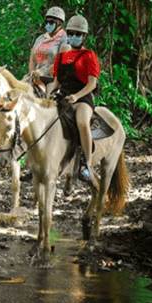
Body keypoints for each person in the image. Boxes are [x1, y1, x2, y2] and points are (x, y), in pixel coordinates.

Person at [51, 15, 100, 181]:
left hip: (82, 97)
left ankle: (87, 163)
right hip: (62, 95)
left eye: (78, 35)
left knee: (82, 123)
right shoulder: (61, 56)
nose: (74, 37)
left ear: (84, 37)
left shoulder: (89, 56)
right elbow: (56, 81)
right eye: (71, 33)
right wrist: (48, 95)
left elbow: (92, 84)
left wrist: (76, 96)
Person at [29, 6, 70, 95]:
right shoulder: (40, 38)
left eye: (51, 22)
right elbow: (32, 59)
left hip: (53, 79)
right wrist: (32, 74)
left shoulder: (65, 39)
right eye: (46, 22)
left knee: (50, 101)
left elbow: (61, 62)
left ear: (59, 24)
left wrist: (44, 72)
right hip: (37, 77)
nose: (48, 25)